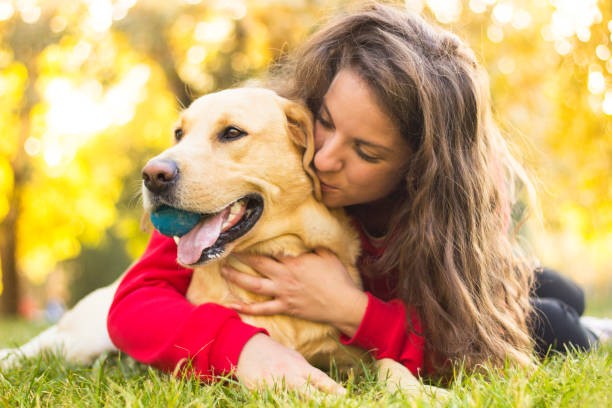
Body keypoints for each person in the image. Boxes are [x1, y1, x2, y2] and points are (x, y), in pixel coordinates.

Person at [107, 3, 600, 393]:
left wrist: (349, 308)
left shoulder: (447, 206)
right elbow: (134, 304)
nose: (322, 159)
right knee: (555, 295)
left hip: (445, 280)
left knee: (556, 318)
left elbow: (464, 343)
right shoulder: (255, 162)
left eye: (365, 151)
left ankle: (587, 320)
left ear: (416, 168)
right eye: (326, 121)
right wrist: (246, 350)